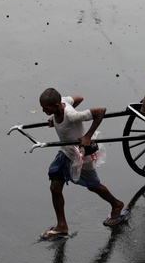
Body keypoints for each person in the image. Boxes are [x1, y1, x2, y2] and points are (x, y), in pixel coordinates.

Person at [38, 88, 128, 239]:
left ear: (56, 105)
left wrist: (87, 136)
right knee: (55, 187)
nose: (43, 111)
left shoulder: (71, 115)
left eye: (46, 108)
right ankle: (61, 226)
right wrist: (54, 117)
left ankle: (116, 204)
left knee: (94, 186)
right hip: (65, 153)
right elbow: (79, 97)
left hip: (80, 156)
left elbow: (101, 111)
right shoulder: (63, 103)